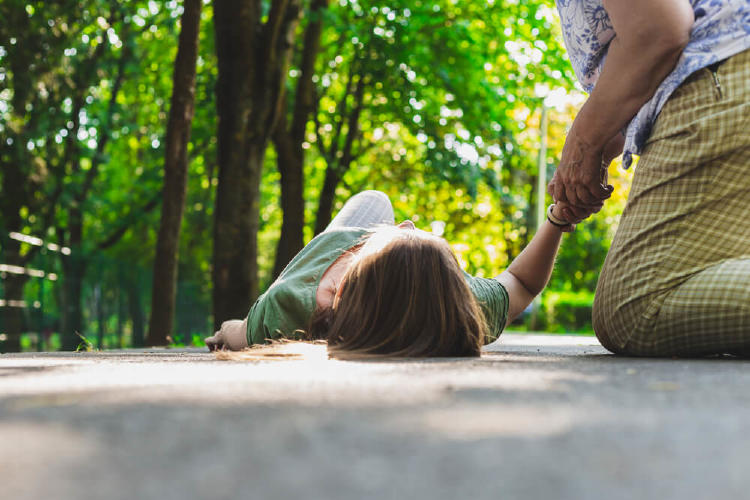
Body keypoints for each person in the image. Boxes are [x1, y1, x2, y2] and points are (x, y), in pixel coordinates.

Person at [548, 0, 750, 355]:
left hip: (723, 67)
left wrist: (583, 139)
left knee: (635, 304)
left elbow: (657, 30)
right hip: (732, 68)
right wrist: (591, 156)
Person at [205, 190, 593, 357]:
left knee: (375, 202)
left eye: (406, 234)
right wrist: (558, 217)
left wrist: (225, 331)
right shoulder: (456, 308)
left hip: (316, 267)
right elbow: (522, 284)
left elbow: (232, 330)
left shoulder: (283, 306)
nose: (408, 223)